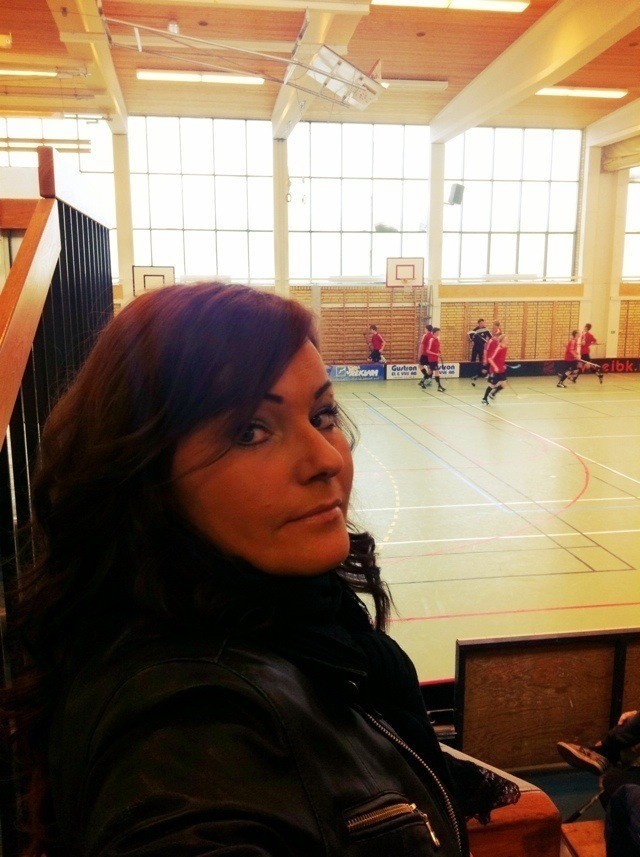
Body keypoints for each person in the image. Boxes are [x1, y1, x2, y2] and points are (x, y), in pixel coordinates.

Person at [0, 283, 518, 857]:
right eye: (250, 431)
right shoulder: (184, 727)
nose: (326, 458)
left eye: (323, 415)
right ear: (145, 474)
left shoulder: (300, 632)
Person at [481, 334, 508, 405]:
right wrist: (495, 367)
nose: (507, 340)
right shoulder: (498, 349)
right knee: (492, 385)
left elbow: (501, 358)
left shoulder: (505, 348)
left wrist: (503, 365)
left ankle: (493, 394)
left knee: (504, 385)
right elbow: (490, 359)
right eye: (505, 339)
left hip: (501, 370)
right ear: (502, 340)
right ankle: (484, 399)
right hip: (494, 370)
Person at [426, 327, 446, 392]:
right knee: (436, 371)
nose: (439, 333)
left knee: (430, 371)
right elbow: (427, 351)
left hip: (435, 358)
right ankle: (439, 386)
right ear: (434, 333)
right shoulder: (431, 340)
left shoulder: (437, 339)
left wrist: (439, 352)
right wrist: (436, 354)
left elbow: (437, 348)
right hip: (432, 358)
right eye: (438, 332)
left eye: (439, 332)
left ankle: (422, 381)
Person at [418, 323, 434, 388]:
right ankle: (429, 380)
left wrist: (419, 354)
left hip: (425, 354)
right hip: (431, 355)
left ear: (427, 329)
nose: (424, 330)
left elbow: (421, 345)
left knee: (420, 365)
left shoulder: (426, 335)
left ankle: (427, 378)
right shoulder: (433, 336)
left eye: (425, 329)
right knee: (429, 368)